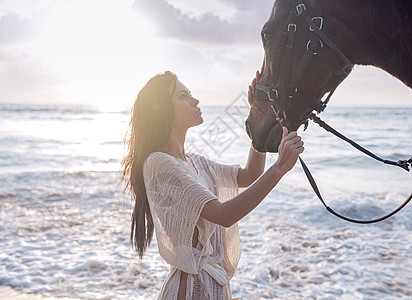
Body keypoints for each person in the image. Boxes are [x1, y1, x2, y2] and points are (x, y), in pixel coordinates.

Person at [121, 70, 304, 300]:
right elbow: (223, 214)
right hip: (190, 292)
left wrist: (258, 111)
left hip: (212, 287)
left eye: (190, 94)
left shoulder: (194, 162)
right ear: (161, 112)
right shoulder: (159, 163)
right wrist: (279, 168)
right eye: (182, 97)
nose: (194, 100)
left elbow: (250, 175)